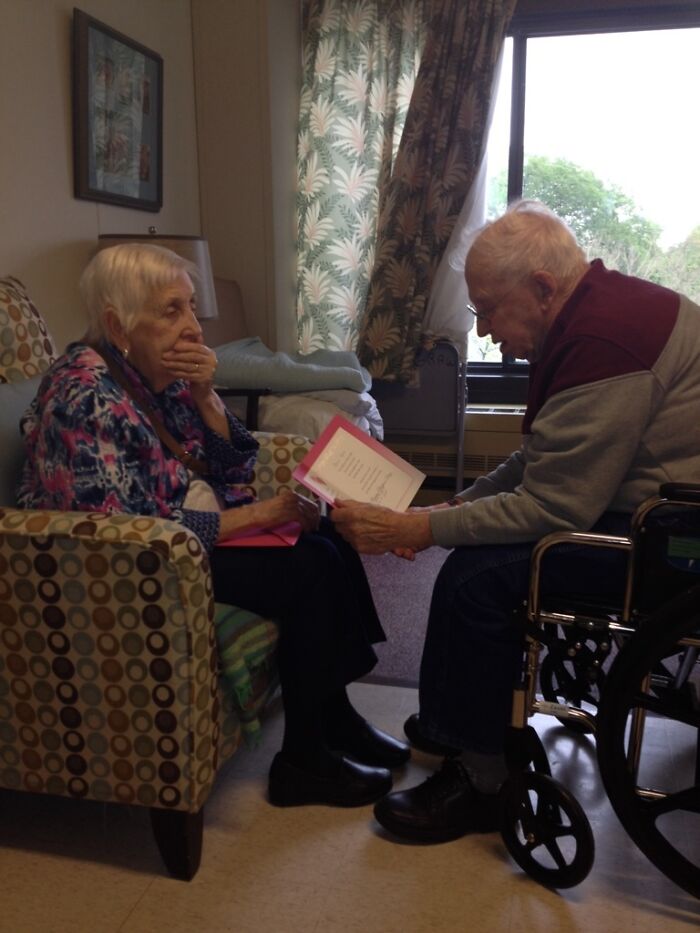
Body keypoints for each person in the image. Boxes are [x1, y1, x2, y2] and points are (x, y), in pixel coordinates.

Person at [331, 199, 700, 842]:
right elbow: (543, 455)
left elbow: (556, 507)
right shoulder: (601, 313)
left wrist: (418, 529)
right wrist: (457, 505)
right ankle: (460, 724)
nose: (486, 330)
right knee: (475, 552)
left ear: (541, 288)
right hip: (657, 513)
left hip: (676, 543)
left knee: (478, 579)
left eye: (489, 310)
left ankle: (480, 781)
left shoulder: (604, 342)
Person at [17, 242, 410, 810]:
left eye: (191, 308)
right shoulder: (81, 398)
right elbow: (125, 528)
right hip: (143, 561)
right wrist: (259, 515)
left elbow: (235, 464)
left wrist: (205, 396)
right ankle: (303, 761)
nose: (193, 327)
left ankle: (334, 715)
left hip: (186, 529)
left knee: (328, 537)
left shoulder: (161, 375)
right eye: (170, 311)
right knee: (309, 569)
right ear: (116, 324)